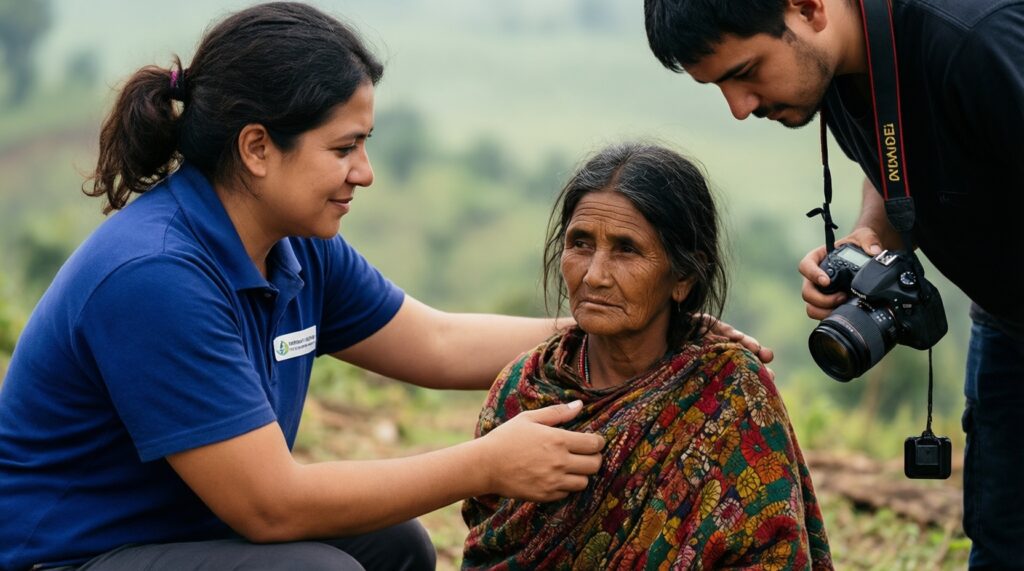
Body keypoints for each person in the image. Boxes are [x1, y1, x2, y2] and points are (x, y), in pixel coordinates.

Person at [0, 4, 615, 570]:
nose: (364, 173)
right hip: (73, 555)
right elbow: (272, 506)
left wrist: (616, 333)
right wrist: (485, 465)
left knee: (397, 547)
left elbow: (437, 341)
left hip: (184, 531)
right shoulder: (156, 276)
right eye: (344, 147)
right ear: (258, 148)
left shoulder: (296, 248)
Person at [643, 0, 1024, 567]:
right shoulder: (847, 64)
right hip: (1006, 318)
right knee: (1003, 541)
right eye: (718, 88)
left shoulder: (975, 40)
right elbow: (896, 154)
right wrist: (871, 235)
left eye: (745, 73)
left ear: (807, 7)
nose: (740, 108)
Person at [461, 143, 832, 570]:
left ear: (684, 277)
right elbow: (489, 541)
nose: (594, 274)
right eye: (580, 243)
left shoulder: (730, 392)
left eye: (626, 249)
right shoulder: (525, 388)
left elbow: (771, 553)